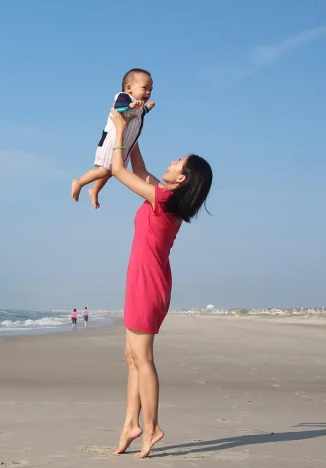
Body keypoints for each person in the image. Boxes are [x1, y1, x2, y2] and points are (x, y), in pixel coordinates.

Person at [107, 107, 212, 458]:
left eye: (177, 162)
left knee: (143, 358)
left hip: (148, 284)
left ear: (181, 179)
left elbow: (119, 169)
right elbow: (138, 168)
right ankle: (130, 425)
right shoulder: (164, 197)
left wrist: (120, 131)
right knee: (131, 357)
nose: (170, 162)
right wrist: (135, 123)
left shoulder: (164, 199)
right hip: (143, 279)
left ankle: (151, 427)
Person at [71, 68, 155, 209]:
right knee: (104, 170)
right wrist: (130, 105)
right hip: (111, 141)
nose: (148, 92)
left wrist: (146, 109)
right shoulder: (124, 97)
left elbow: (139, 115)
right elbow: (119, 107)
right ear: (129, 88)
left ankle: (94, 190)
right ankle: (79, 182)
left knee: (110, 172)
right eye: (145, 88)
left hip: (124, 144)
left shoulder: (138, 105)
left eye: (150, 89)